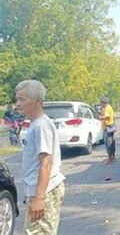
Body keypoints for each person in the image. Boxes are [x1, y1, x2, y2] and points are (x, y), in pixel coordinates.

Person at [15, 80, 65, 234]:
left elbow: (46, 163)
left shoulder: (41, 125)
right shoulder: (36, 124)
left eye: (22, 99)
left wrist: (39, 198)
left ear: (37, 102)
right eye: (17, 99)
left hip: (45, 191)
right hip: (40, 190)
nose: (17, 104)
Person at [100, 97, 116, 164]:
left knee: (108, 143)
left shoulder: (106, 108)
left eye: (101, 103)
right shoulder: (109, 107)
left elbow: (107, 116)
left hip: (107, 127)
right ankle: (113, 157)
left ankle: (109, 159)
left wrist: (101, 117)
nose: (101, 104)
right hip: (111, 126)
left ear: (103, 103)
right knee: (112, 142)